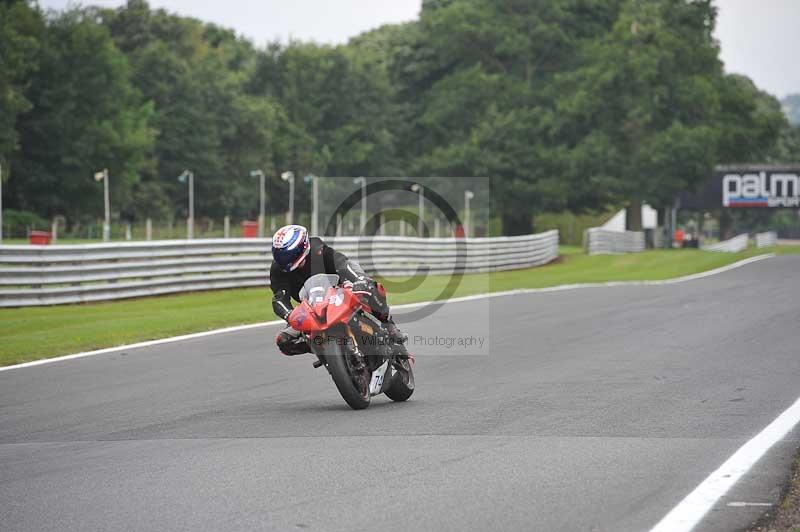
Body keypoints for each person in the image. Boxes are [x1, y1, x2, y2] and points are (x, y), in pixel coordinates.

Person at [269, 224, 408, 357]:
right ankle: (323, 350)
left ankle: (389, 325)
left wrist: (358, 280)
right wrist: (290, 315)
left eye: (289, 254)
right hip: (312, 306)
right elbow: (279, 298)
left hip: (342, 287)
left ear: (302, 247)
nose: (285, 260)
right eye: (280, 255)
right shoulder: (278, 269)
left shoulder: (317, 248)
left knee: (369, 287)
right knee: (284, 341)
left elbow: (341, 264)